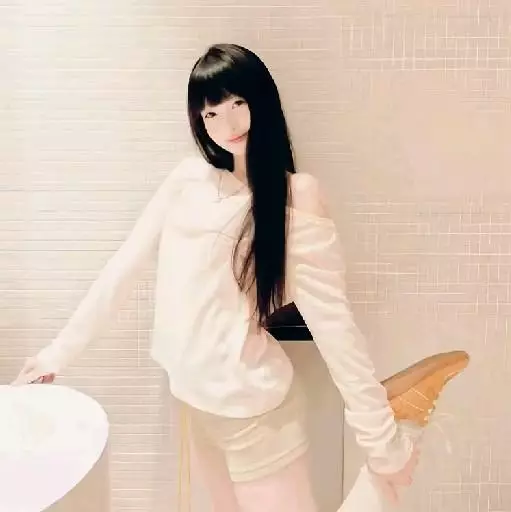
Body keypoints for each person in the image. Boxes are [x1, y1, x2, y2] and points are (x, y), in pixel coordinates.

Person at [12, 43, 467, 511]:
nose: (226, 124)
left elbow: (333, 325)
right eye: (210, 114)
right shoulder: (188, 180)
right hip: (194, 404)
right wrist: (54, 355)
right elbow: (121, 271)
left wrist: (379, 437)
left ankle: (400, 428)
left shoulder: (295, 197)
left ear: (261, 101)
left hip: (255, 415)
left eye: (237, 104)